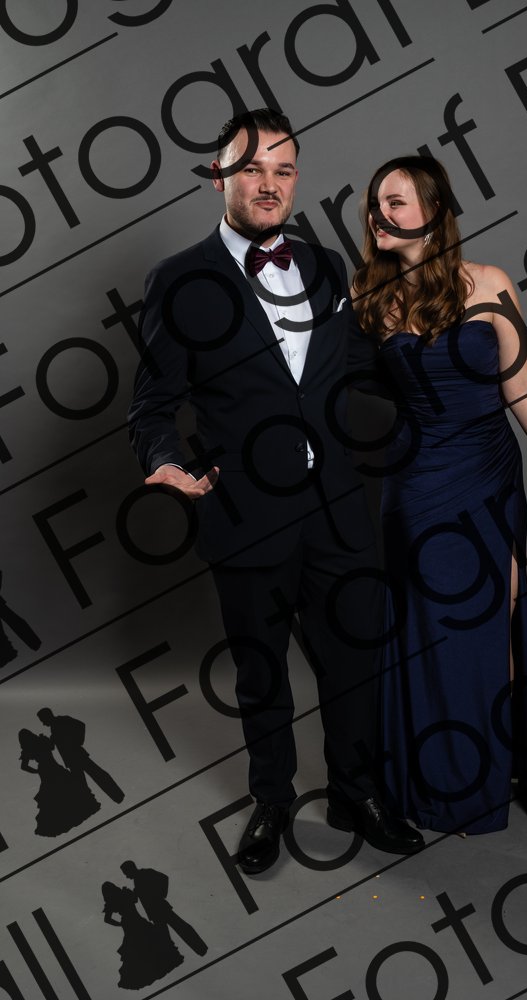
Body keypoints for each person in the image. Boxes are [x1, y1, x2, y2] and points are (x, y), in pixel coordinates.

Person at [128, 109, 423, 873]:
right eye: (251, 168)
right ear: (218, 176)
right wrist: (164, 460)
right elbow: (153, 405)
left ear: (295, 180)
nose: (268, 183)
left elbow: (354, 370)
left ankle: (356, 791)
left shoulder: (326, 266)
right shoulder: (178, 279)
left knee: (355, 657)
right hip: (245, 511)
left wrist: (434, 362)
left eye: (283, 170)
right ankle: (272, 800)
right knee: (261, 671)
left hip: (339, 507)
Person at [352, 155, 527, 834]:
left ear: (434, 211)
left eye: (395, 202)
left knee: (490, 619)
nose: (380, 214)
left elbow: (520, 382)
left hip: (488, 474)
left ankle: (488, 771)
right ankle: (430, 778)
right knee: (426, 626)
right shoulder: (370, 298)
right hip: (416, 480)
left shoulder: (491, 282)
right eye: (375, 203)